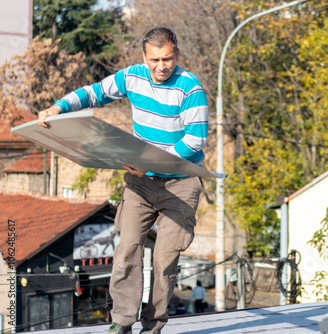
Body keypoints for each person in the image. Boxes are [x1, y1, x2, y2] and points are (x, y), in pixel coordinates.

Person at [38, 27, 208, 334]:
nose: (161, 66)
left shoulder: (190, 88)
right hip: (140, 183)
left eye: (167, 58)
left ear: (177, 54)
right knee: (127, 250)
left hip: (180, 184)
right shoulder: (132, 77)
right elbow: (94, 93)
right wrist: (58, 107)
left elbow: (194, 141)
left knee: (164, 260)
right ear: (144, 57)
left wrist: (151, 164)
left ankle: (153, 325)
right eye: (154, 59)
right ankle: (122, 321)